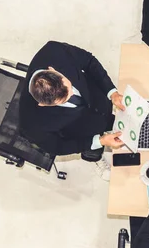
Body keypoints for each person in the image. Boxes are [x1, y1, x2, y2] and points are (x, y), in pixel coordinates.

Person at [20, 41, 125, 181]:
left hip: (96, 98)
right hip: (80, 131)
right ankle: (96, 158)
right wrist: (100, 141)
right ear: (42, 105)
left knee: (109, 119)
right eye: (64, 100)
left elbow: (89, 61)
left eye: (69, 88)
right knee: (93, 149)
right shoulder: (32, 126)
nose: (72, 95)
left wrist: (111, 92)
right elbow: (58, 147)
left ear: (53, 70)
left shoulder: (55, 51)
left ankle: (110, 122)